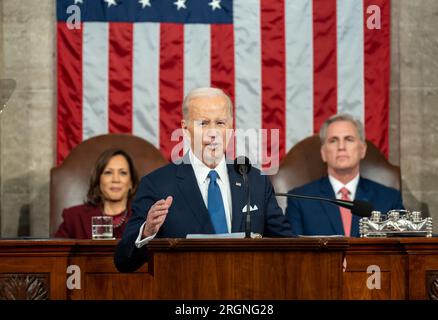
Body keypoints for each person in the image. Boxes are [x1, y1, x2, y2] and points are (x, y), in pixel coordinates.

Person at [115, 87, 293, 272]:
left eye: (220, 123)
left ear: (231, 129)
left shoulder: (255, 180)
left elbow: (289, 247)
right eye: (204, 124)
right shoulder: (157, 185)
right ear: (185, 129)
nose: (213, 133)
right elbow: (124, 262)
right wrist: (147, 232)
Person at [285, 114, 404, 237]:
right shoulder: (300, 199)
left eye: (349, 139)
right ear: (323, 153)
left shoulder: (389, 199)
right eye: (333, 140)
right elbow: (294, 253)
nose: (341, 147)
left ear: (362, 150)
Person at [54, 148, 139, 239]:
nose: (116, 179)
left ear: (131, 182)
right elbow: (55, 252)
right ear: (98, 180)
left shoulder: (143, 218)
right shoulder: (74, 217)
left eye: (123, 173)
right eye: (108, 172)